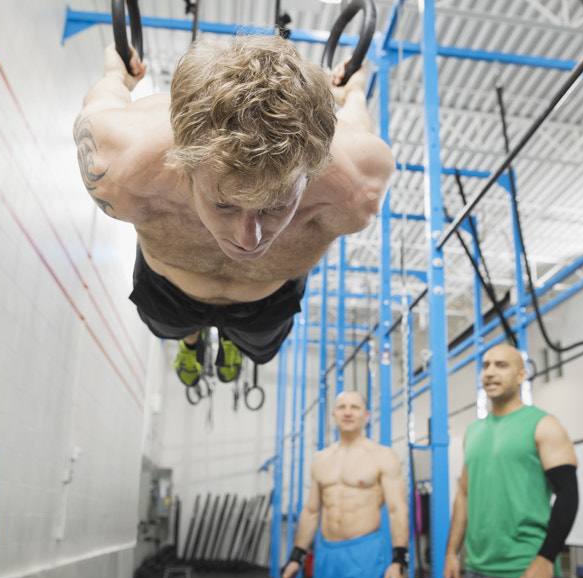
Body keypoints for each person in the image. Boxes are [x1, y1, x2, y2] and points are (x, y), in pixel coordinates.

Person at [73, 35, 395, 387]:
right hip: (168, 289)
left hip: (266, 304)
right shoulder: (120, 172)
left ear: (312, 172)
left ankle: (231, 340)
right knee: (173, 328)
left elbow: (359, 133)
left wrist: (356, 92)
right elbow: (103, 107)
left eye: (276, 206)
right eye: (223, 204)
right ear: (186, 165)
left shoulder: (356, 190)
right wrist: (115, 75)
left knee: (258, 346)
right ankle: (191, 341)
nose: (249, 238)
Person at [443, 344, 580, 578]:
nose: (489, 371)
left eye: (501, 365)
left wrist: (546, 559)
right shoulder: (473, 432)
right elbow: (463, 494)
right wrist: (450, 553)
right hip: (478, 572)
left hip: (526, 569)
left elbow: (568, 496)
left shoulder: (544, 425)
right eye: (486, 365)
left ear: (522, 375)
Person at [281, 391, 408, 578]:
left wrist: (399, 560)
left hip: (366, 556)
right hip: (328, 558)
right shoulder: (321, 459)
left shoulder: (382, 456)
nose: (348, 411)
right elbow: (312, 511)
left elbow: (398, 509)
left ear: (366, 415)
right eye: (342, 407)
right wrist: (296, 558)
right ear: (334, 416)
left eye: (355, 407)